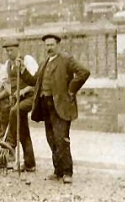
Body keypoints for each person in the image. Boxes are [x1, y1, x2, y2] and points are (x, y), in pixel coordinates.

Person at [21, 34, 90, 184]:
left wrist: (71, 90)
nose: (49, 48)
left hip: (61, 106)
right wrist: (23, 72)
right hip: (46, 105)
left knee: (61, 139)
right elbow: (35, 81)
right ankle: (58, 171)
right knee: (51, 138)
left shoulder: (66, 59)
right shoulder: (44, 62)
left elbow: (84, 72)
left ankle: (67, 172)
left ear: (58, 45)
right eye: (47, 45)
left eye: (52, 45)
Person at [0, 38, 39, 171]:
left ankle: (11, 141)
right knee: (23, 131)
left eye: (12, 50)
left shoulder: (27, 59)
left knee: (14, 111)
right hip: (17, 99)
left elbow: (36, 81)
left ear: (18, 49)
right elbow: (5, 81)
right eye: (7, 50)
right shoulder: (7, 64)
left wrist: (22, 91)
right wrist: (11, 92)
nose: (9, 53)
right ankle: (30, 164)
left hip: (31, 96)